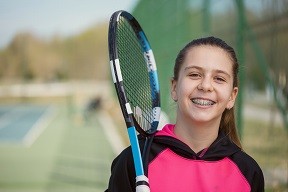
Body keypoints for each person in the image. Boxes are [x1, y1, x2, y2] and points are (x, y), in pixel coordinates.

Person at [105, 36, 264, 192]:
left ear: (232, 96)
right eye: (194, 74)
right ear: (174, 88)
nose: (206, 86)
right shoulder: (136, 160)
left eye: (219, 78)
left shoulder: (248, 172)